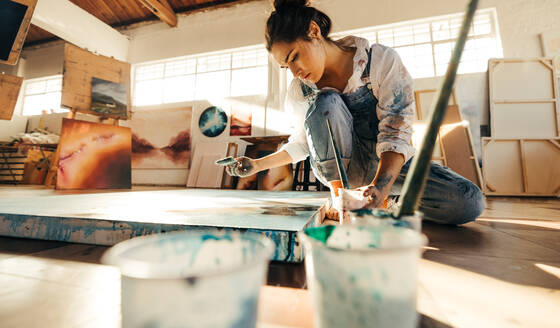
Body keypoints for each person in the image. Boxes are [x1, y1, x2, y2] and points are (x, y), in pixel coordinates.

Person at [225, 0, 485, 224]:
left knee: (468, 202)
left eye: (294, 57)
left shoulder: (380, 62)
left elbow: (397, 130)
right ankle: (342, 200)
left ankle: (387, 203)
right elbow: (303, 144)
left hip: (392, 166)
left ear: (313, 31)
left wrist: (381, 189)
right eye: (285, 66)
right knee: (325, 101)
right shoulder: (300, 91)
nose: (294, 72)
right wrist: (257, 165)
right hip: (347, 174)